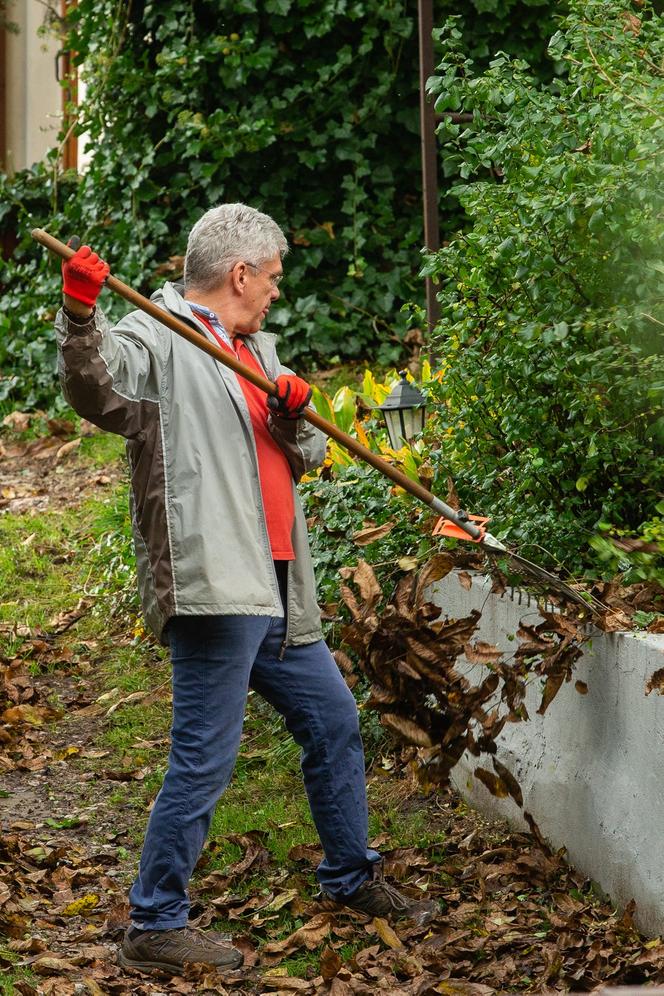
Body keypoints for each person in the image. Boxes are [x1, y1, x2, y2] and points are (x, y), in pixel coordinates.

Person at [55, 203, 434, 976]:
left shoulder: (253, 349)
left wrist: (293, 417)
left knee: (333, 722)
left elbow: (289, 458)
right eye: (273, 279)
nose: (275, 294)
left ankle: (349, 876)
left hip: (278, 583)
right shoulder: (159, 335)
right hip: (216, 582)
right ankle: (154, 923)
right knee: (204, 758)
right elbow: (94, 392)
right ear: (240, 273)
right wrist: (78, 315)